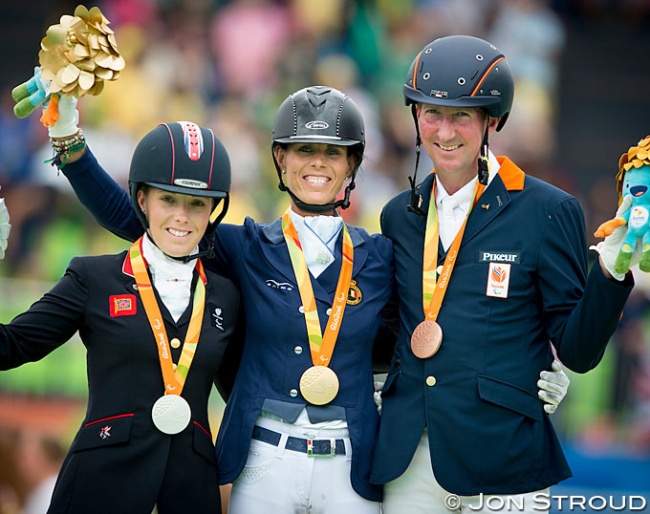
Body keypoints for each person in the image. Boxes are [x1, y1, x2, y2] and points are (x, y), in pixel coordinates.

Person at [16, 75, 571, 512]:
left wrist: (528, 367)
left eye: (332, 153)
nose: (316, 164)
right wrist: (69, 143)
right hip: (263, 462)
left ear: (352, 164)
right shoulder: (243, 245)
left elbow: (448, 309)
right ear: (280, 159)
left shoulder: (379, 256)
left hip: (350, 464)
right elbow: (140, 222)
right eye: (303, 150)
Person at [370, 35, 635, 514]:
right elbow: (393, 328)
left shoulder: (548, 210)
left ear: (491, 120)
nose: (444, 130)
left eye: (462, 115)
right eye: (432, 112)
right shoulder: (397, 217)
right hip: (409, 458)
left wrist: (610, 274)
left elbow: (575, 349)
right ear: (414, 117)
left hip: (506, 455)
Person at [0, 120, 240, 514]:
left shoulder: (227, 296)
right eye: (168, 199)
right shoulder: (93, 278)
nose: (182, 216)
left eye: (196, 203)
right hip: (101, 481)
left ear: (213, 209)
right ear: (142, 200)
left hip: (191, 489)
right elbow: (10, 347)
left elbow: (243, 389)